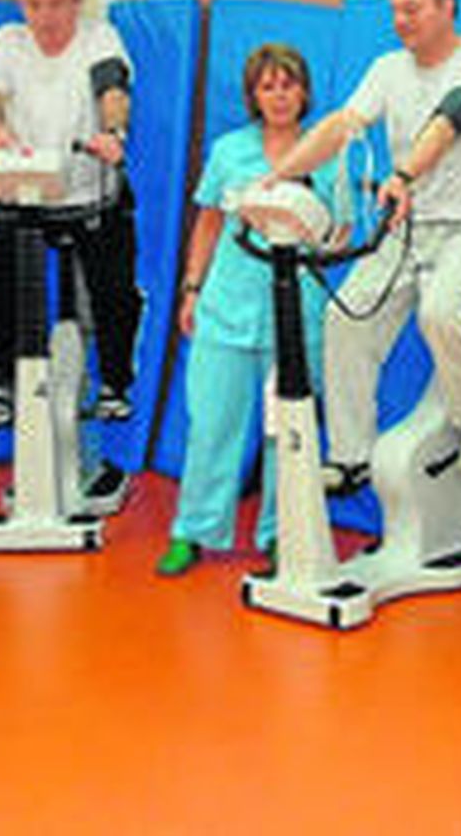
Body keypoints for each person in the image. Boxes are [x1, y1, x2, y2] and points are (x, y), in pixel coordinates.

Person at [265, 0, 461, 494]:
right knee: (345, 318)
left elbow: (449, 121)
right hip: (411, 223)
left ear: (447, 7)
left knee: (442, 311)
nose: (401, 20)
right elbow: (342, 125)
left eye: (413, 8)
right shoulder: (387, 68)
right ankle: (351, 455)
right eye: (395, 10)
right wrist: (277, 175)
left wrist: (403, 173)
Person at [158, 44, 337, 576]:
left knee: (290, 428)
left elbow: (340, 227)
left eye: (288, 84)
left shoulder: (325, 149)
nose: (279, 95)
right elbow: (209, 221)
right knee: (211, 424)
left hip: (297, 307)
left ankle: (283, 533)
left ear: (304, 90)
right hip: (227, 308)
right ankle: (192, 531)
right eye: (268, 86)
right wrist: (192, 288)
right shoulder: (229, 150)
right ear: (254, 96)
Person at [0, 0, 140, 498]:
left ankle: (113, 380)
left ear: (76, 1)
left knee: (115, 283)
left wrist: (113, 130)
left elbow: (111, 87)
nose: (43, 17)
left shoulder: (98, 36)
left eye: (55, 4)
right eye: (33, 5)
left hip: (86, 184)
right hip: (25, 189)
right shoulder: (7, 41)